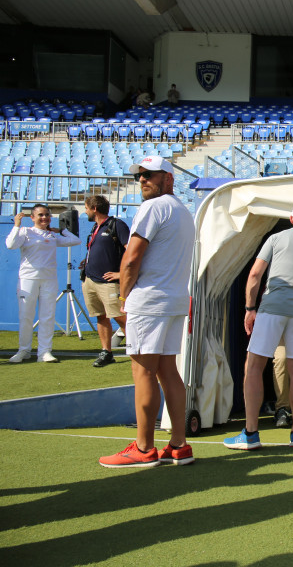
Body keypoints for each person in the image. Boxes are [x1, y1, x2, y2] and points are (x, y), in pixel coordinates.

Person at [98, 156, 195, 468]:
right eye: (140, 175)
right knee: (168, 371)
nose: (142, 180)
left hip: (150, 301)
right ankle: (178, 445)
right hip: (174, 300)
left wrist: (125, 296)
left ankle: (143, 448)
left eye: (149, 174)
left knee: (143, 372)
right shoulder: (183, 210)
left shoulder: (153, 207)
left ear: (168, 178)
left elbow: (130, 259)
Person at [224, 223, 293, 450]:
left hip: (272, 307)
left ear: (292, 217)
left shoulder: (276, 238)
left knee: (253, 367)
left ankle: (251, 433)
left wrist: (249, 308)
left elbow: (255, 274)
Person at [6, 204, 80, 363]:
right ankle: (24, 350)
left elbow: (75, 240)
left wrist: (60, 231)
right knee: (26, 316)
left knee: (47, 316)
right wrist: (17, 225)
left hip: (49, 280)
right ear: (32, 217)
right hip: (28, 279)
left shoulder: (52, 236)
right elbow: (11, 244)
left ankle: (44, 352)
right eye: (40, 215)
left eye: (47, 214)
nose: (44, 217)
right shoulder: (26, 232)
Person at [82, 195, 130, 368]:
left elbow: (131, 251)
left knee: (120, 317)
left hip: (109, 283)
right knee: (100, 316)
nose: (85, 211)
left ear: (94, 208)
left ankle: (138, 350)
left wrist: (120, 274)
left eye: (86, 207)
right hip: (90, 281)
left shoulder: (117, 225)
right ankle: (106, 352)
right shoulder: (96, 227)